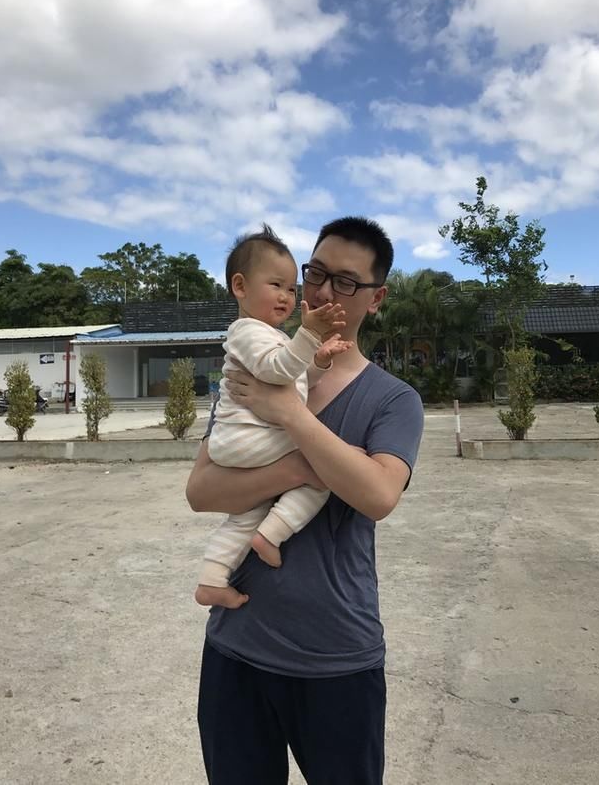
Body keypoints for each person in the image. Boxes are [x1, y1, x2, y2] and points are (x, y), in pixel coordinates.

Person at [186, 216, 424, 785]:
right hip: (237, 644)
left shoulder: (393, 400)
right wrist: (298, 464)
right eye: (315, 273)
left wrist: (290, 415)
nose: (320, 291)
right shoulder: (254, 371)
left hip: (335, 654)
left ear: (376, 298)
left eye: (345, 281)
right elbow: (202, 491)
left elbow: (378, 495)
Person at [195, 225, 353, 610]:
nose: (286, 296)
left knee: (245, 514)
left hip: (244, 442)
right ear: (240, 286)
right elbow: (278, 371)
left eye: (292, 289)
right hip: (247, 438)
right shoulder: (247, 332)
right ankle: (272, 535)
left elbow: (294, 380)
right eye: (276, 285)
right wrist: (309, 336)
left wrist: (317, 361)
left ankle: (212, 580)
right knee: (324, 467)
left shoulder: (273, 336)